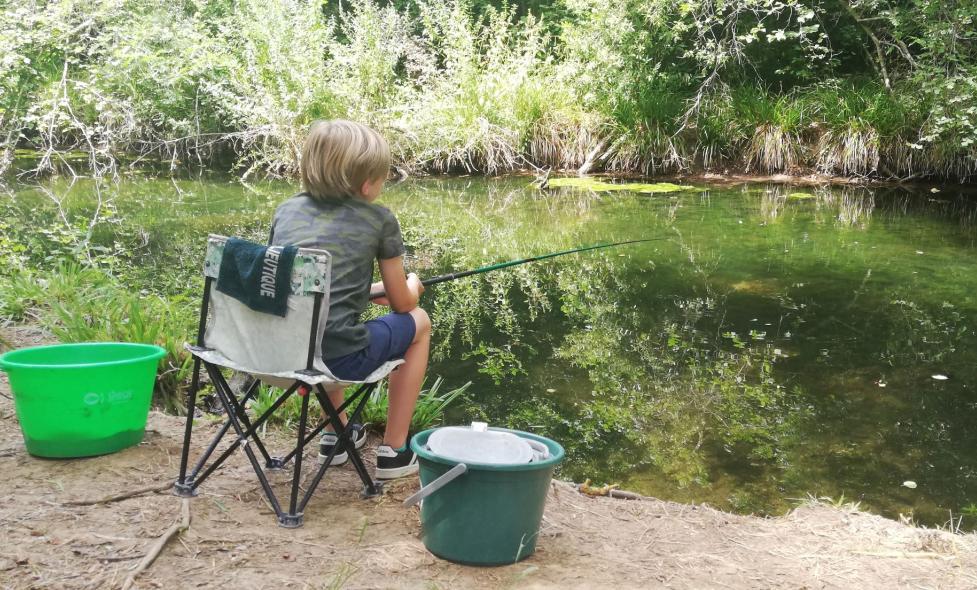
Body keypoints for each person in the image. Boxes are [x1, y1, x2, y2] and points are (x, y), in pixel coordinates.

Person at [269, 119, 430, 479]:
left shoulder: (287, 211)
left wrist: (370, 291)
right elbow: (403, 305)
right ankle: (395, 450)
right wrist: (412, 285)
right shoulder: (378, 220)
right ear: (367, 184)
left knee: (320, 328)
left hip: (275, 355)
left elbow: (290, 287)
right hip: (337, 363)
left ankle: (336, 435)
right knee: (420, 323)